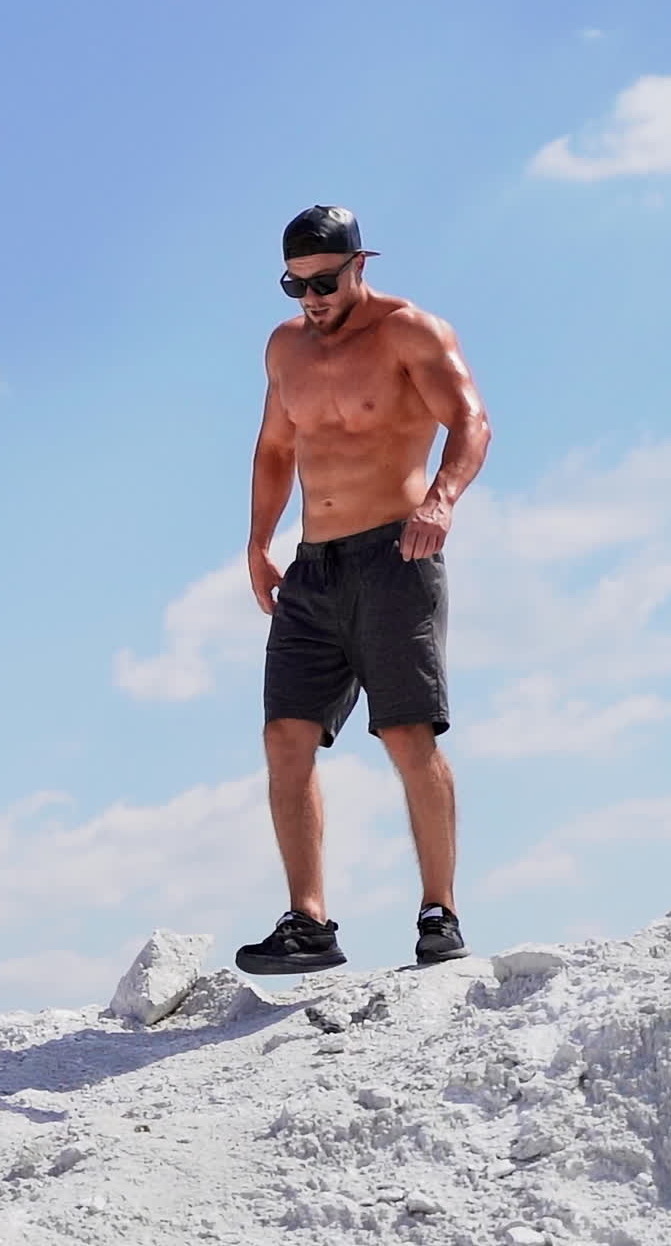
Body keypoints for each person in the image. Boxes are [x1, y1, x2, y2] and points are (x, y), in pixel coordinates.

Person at [234, 205, 492, 975]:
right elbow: (274, 448)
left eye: (324, 281)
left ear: (360, 264)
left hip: (395, 556)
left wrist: (441, 501)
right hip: (313, 567)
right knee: (284, 737)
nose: (311, 298)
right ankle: (309, 923)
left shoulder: (410, 332)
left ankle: (439, 911)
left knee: (408, 735)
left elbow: (471, 422)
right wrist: (258, 544)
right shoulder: (285, 348)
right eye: (295, 285)